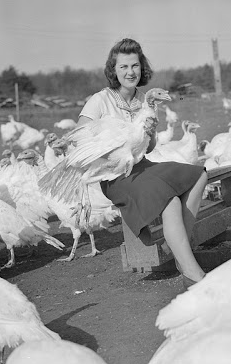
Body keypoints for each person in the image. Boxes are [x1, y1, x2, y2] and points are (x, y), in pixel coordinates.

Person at [77, 38, 207, 288]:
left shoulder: (143, 99)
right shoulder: (100, 100)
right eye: (123, 66)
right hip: (115, 175)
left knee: (198, 175)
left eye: (135, 65)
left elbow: (149, 147)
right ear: (113, 70)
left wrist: (151, 132)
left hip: (141, 165)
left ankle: (177, 246)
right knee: (169, 200)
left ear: (142, 67)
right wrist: (107, 153)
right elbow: (79, 140)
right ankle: (193, 274)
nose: (130, 72)